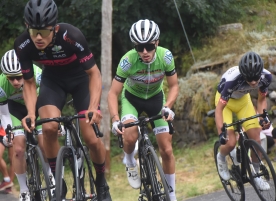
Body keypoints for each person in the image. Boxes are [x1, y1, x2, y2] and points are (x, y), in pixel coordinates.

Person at [14, 0, 111, 201]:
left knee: (91, 137)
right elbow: (30, 83)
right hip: (53, 82)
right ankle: (59, 180)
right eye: (33, 31)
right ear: (27, 27)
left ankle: (101, 181)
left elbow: (94, 74)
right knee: (48, 128)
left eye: (44, 32)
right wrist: (31, 113)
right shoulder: (23, 45)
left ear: (55, 28)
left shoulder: (71, 36)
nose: (38, 38)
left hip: (80, 80)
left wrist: (93, 107)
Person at [108, 19, 179, 201]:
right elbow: (113, 92)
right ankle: (130, 160)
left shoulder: (166, 56)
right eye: (140, 47)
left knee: (167, 150)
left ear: (157, 42)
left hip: (156, 99)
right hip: (132, 99)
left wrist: (168, 107)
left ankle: (171, 195)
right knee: (130, 136)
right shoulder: (127, 61)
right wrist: (116, 118)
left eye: (148, 46)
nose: (145, 52)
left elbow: (174, 86)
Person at [215, 51, 272, 190]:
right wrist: (221, 133)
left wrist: (263, 117)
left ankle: (256, 175)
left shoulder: (266, 77)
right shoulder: (232, 81)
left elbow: (262, 98)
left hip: (243, 102)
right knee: (230, 142)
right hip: (225, 105)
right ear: (243, 75)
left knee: (257, 140)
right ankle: (221, 158)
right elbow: (219, 110)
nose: (253, 83)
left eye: (255, 79)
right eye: (249, 80)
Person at [0, 49, 51, 198]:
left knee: (44, 142)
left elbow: (50, 100)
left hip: (37, 106)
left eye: (18, 77)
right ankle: (24, 190)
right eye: (11, 78)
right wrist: (9, 132)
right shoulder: (2, 84)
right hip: (15, 111)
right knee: (19, 149)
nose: (15, 82)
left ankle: (50, 175)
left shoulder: (37, 74)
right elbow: (3, 113)